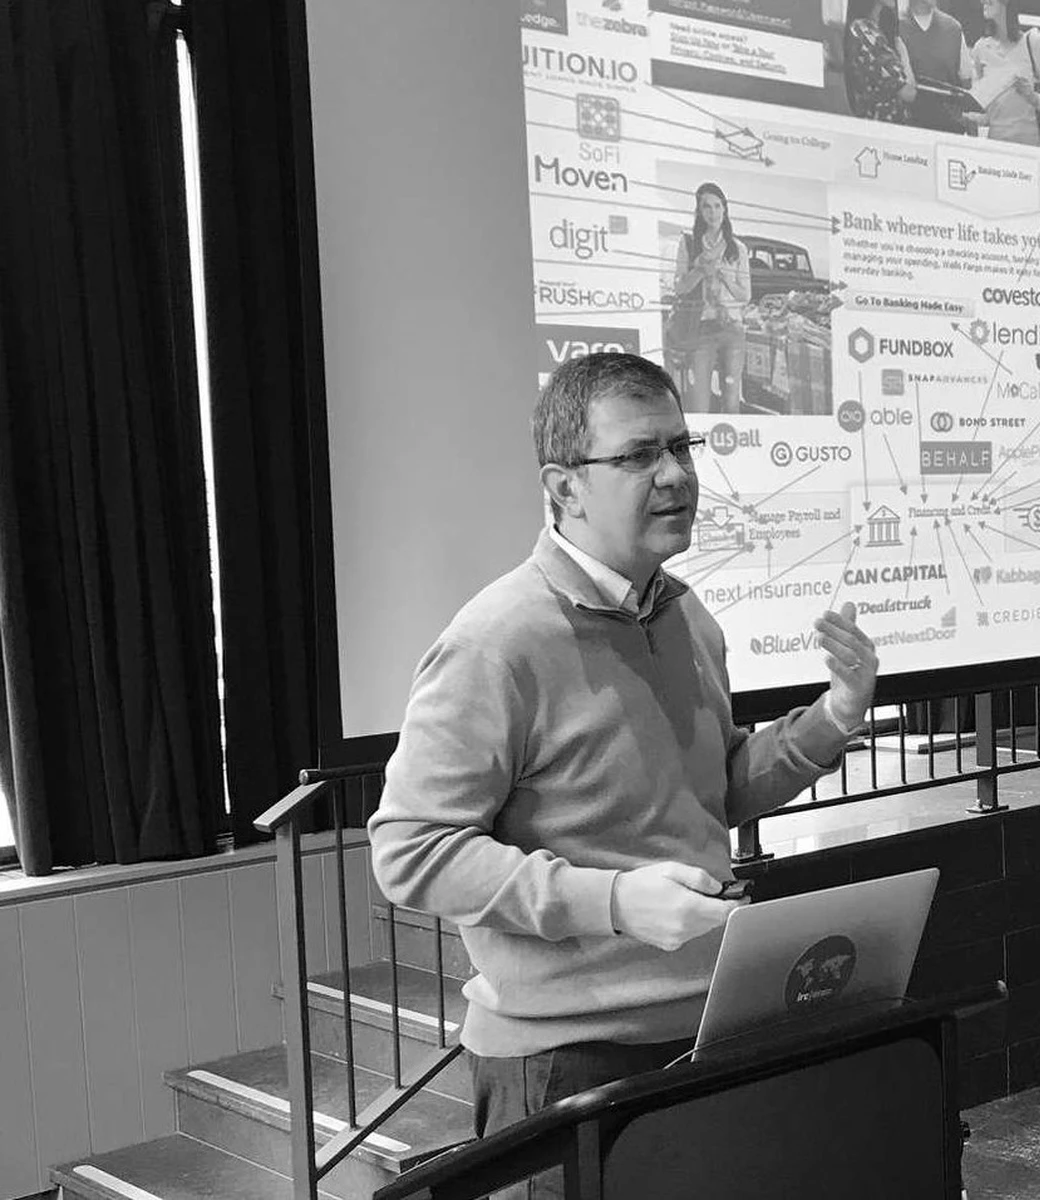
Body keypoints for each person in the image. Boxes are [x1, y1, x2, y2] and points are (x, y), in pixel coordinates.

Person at [368, 353, 879, 1199]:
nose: (675, 474)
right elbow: (411, 852)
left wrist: (837, 714)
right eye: (639, 454)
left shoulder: (686, 617)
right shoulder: (496, 641)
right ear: (564, 488)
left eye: (681, 446)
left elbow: (714, 790)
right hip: (566, 1060)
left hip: (709, 1027)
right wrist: (613, 901)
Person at [670, 182, 750, 414]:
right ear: (699, 211)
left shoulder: (738, 248)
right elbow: (680, 287)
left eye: (717, 206)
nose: (712, 212)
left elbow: (745, 295)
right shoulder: (689, 243)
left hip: (732, 329)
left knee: (732, 403)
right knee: (698, 403)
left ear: (725, 209)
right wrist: (699, 269)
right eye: (706, 206)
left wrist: (725, 277)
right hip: (701, 329)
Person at [972, 0, 1040, 146]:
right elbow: (986, 116)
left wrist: (1033, 97)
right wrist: (967, 116)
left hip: (1029, 148)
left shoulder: (1031, 43)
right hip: (995, 149)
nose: (983, 1)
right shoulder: (980, 49)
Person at [899, 0, 974, 133]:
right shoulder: (895, 27)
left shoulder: (953, 28)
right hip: (908, 127)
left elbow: (967, 81)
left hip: (949, 128)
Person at [842, 0, 916, 123]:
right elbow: (908, 93)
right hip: (878, 126)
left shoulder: (877, 28)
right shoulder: (864, 31)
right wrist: (904, 56)